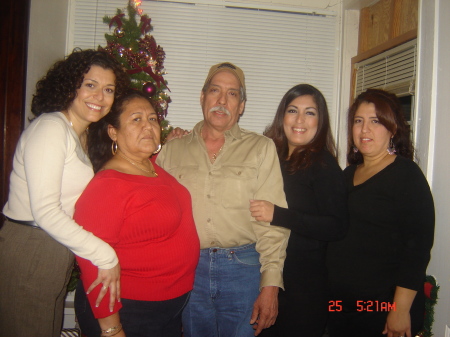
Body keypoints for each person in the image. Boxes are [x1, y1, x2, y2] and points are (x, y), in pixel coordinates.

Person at [0, 49, 130, 337]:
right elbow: (45, 211)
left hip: (52, 249)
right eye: (90, 85)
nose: (99, 96)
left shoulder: (80, 135)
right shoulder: (51, 128)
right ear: (70, 85)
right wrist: (105, 256)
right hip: (31, 247)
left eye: (108, 89)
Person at [156, 62, 290, 337]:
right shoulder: (173, 149)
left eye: (232, 94)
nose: (221, 100)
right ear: (202, 97)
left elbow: (272, 223)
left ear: (241, 105)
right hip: (189, 270)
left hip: (244, 270)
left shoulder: (261, 148)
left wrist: (271, 284)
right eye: (215, 90)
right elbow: (154, 211)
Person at [74, 89, 200, 337]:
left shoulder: (151, 166)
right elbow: (90, 262)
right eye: (136, 119)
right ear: (113, 131)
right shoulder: (108, 184)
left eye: (152, 119)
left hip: (167, 309)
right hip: (129, 310)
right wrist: (111, 328)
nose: (148, 126)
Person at [327, 89, 435, 337]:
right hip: (342, 308)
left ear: (393, 128)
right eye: (358, 121)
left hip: (383, 309)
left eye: (375, 121)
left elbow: (417, 250)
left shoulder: (406, 176)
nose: (364, 130)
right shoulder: (347, 175)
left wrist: (399, 309)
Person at [249, 84, 348, 336]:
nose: (300, 120)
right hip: (266, 276)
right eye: (293, 110)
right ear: (282, 116)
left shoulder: (323, 164)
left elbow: (336, 226)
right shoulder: (270, 156)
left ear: (320, 121)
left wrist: (278, 214)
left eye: (310, 112)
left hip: (303, 288)